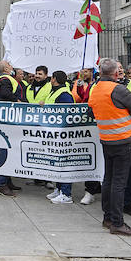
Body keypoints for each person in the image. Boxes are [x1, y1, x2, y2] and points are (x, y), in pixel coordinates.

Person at [87, 58, 131, 236]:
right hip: (123, 140)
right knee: (119, 183)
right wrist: (129, 111)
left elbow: (91, 111)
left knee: (109, 180)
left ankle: (107, 218)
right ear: (114, 74)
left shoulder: (95, 88)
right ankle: (117, 223)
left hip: (106, 139)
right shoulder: (118, 89)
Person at [0, 61, 22, 196]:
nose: (12, 65)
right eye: (9, 64)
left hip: (3, 117)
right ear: (6, 69)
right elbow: (7, 94)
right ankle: (1, 184)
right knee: (8, 149)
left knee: (9, 149)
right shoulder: (6, 79)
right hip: (8, 119)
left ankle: (7, 181)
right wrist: (18, 102)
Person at [44, 70, 80, 204]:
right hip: (54, 132)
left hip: (61, 134)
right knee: (57, 163)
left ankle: (66, 193)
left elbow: (66, 113)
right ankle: (59, 189)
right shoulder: (55, 91)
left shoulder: (64, 94)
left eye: (51, 78)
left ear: (54, 79)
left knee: (64, 164)